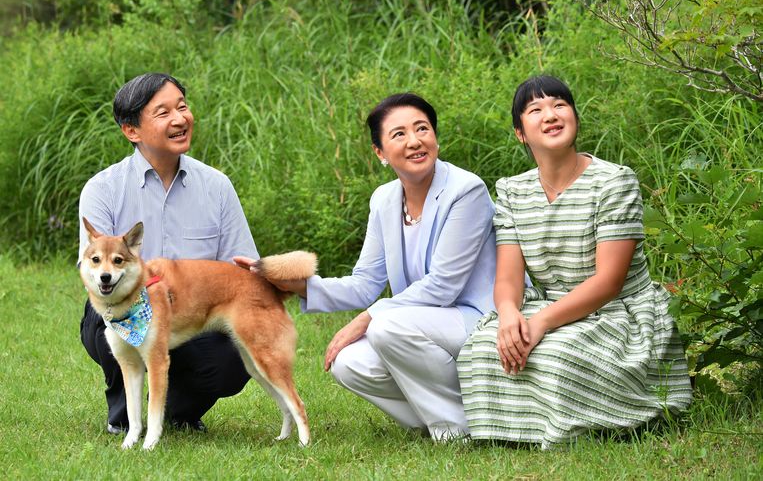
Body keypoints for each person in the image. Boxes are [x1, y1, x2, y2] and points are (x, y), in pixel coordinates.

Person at [236, 93, 508, 441]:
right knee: (349, 363)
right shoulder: (383, 199)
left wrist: (369, 317)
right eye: (398, 134)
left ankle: (454, 429)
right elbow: (366, 282)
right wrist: (297, 285)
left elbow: (444, 285)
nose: (414, 141)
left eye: (422, 129)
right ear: (379, 152)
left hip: (478, 318)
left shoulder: (465, 190)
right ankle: (445, 417)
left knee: (385, 328)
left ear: (435, 137)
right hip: (423, 325)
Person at [457, 75, 693, 448]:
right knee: (482, 348)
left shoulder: (614, 182)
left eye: (559, 105)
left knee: (556, 357)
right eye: (535, 110)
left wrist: (540, 324)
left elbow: (609, 282)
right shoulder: (512, 191)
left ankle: (610, 419)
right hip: (551, 305)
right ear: (520, 132)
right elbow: (508, 280)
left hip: (618, 312)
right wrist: (508, 315)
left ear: (575, 119)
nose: (550, 115)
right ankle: (522, 431)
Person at [79, 72, 258, 434]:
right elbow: (94, 268)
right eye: (163, 112)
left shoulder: (217, 187)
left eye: (183, 107)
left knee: (233, 358)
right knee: (112, 325)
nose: (180, 119)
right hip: (121, 304)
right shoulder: (103, 189)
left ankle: (176, 412)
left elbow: (241, 266)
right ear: (132, 130)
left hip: (193, 314)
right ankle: (124, 416)